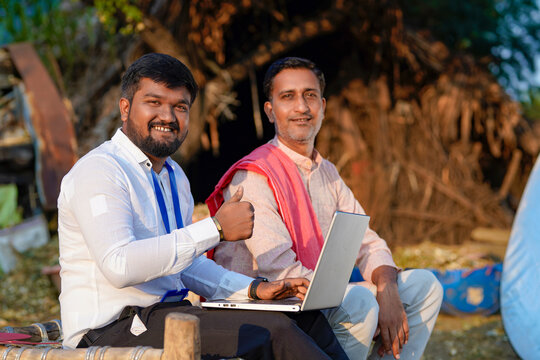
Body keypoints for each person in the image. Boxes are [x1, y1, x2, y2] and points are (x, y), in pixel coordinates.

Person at [57, 53, 349, 360]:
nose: (167, 117)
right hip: (110, 330)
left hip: (169, 315)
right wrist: (216, 229)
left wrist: (253, 290)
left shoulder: (174, 176)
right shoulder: (100, 171)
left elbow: (185, 264)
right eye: (154, 102)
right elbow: (119, 265)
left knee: (303, 319)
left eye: (179, 107)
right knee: (274, 332)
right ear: (125, 108)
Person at [207, 57, 443, 360]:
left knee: (425, 286)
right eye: (288, 97)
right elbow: (281, 271)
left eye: (310, 95)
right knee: (359, 300)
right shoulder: (255, 174)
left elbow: (368, 242)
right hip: (270, 305)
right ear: (270, 111)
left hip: (318, 297)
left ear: (323, 106)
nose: (302, 107)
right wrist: (373, 297)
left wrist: (387, 291)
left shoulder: (327, 171)